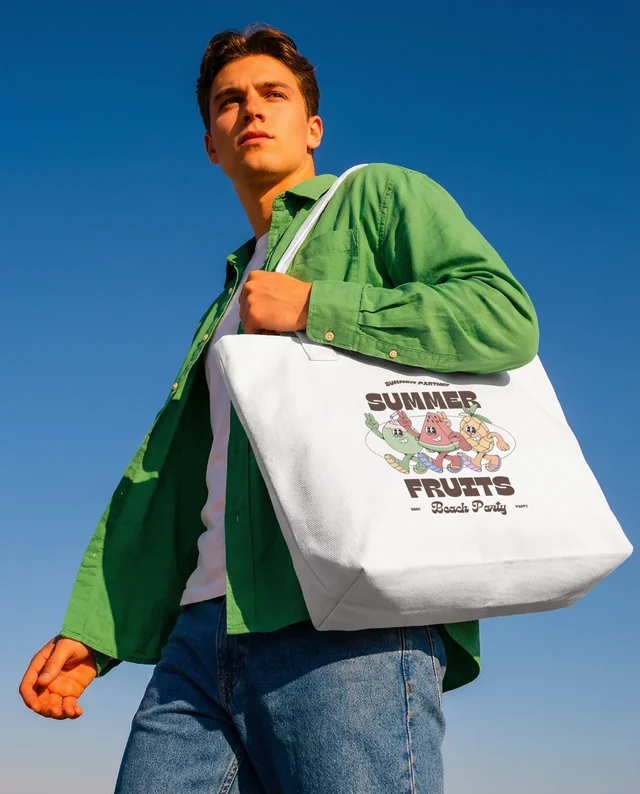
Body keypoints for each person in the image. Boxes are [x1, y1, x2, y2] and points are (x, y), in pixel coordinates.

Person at [19, 24, 539, 793]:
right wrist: (94, 634)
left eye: (273, 95)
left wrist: (318, 306)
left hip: (343, 618)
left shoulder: (378, 197)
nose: (250, 111)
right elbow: (183, 480)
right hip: (199, 634)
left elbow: (503, 316)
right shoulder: (230, 291)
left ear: (313, 126)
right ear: (210, 144)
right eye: (229, 101)